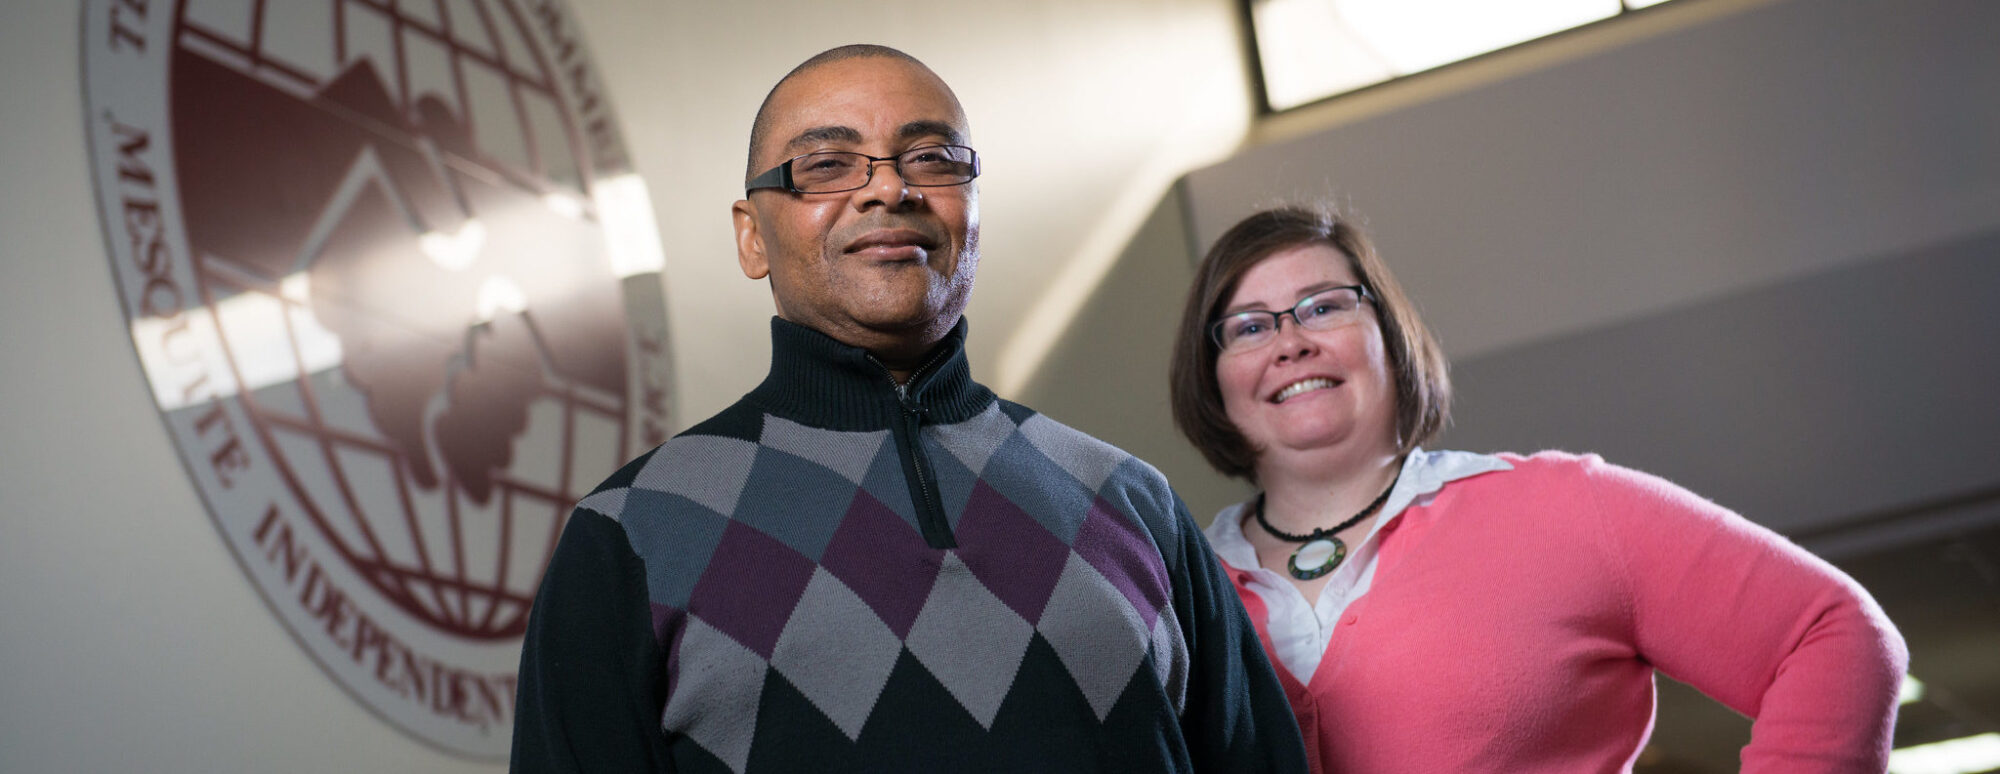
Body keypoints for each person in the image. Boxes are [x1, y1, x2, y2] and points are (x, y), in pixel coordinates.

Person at [511, 45, 1307, 773]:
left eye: (931, 158)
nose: (890, 188)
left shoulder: (1135, 504)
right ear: (752, 238)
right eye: (826, 164)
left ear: (974, 213)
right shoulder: (631, 535)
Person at [1169, 204, 1908, 772]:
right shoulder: (1166, 592)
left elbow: (1833, 633)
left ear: (1389, 335)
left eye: (1325, 306)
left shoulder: (1564, 507)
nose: (1291, 341)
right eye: (1247, 327)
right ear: (1212, 379)